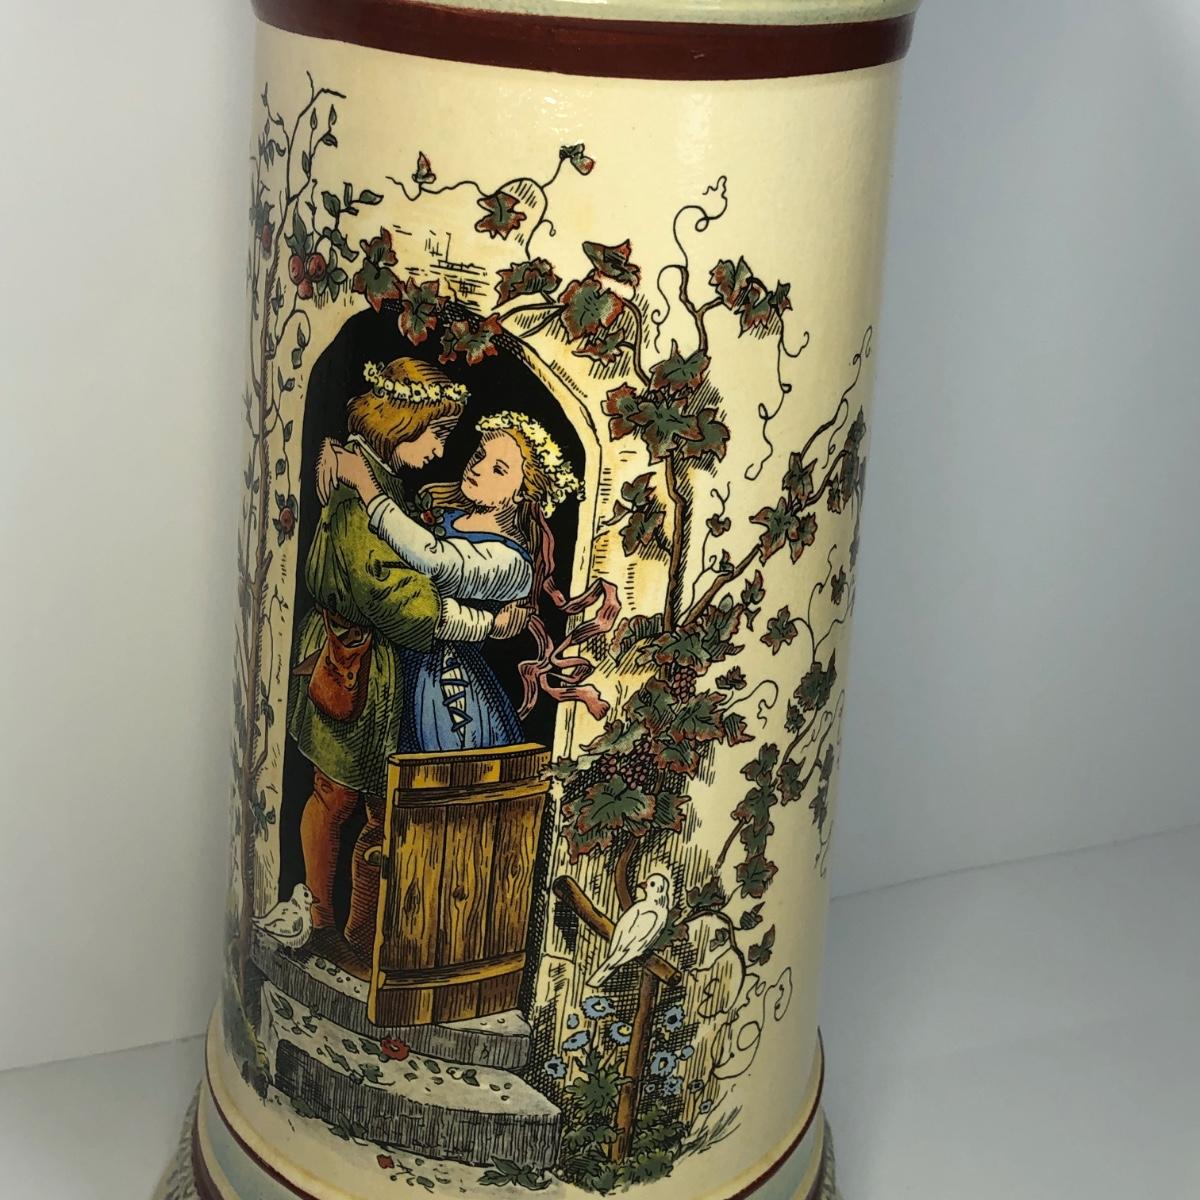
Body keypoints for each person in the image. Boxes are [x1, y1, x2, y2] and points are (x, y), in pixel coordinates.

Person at [286, 359, 528, 971]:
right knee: (335, 796)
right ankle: (322, 924)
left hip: (388, 676)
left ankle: (364, 938)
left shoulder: (385, 485)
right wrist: (486, 626)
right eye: (437, 435)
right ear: (401, 424)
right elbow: (397, 597)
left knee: (379, 809)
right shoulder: (359, 495)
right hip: (348, 664)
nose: (446, 452)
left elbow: (423, 555)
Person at [328, 409, 588, 751]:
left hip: (445, 687)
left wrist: (367, 487)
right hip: (390, 666)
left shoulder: (511, 562)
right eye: (480, 455)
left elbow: (435, 560)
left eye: (498, 469)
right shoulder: (442, 513)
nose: (477, 468)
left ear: (522, 494)